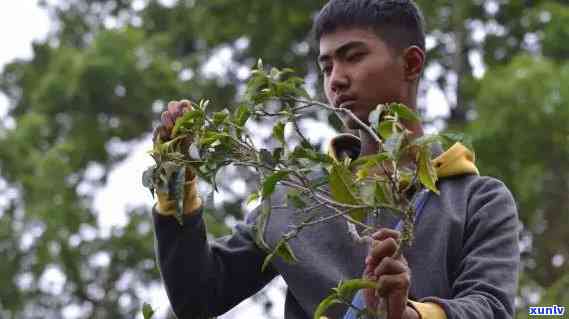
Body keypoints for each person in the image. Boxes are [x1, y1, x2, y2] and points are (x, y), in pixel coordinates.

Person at [151, 1, 520, 318]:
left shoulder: (478, 200)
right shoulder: (293, 196)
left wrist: (409, 313)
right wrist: (173, 176)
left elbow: (492, 307)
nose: (336, 80)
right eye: (326, 66)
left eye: (353, 56)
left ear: (410, 63)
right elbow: (198, 297)